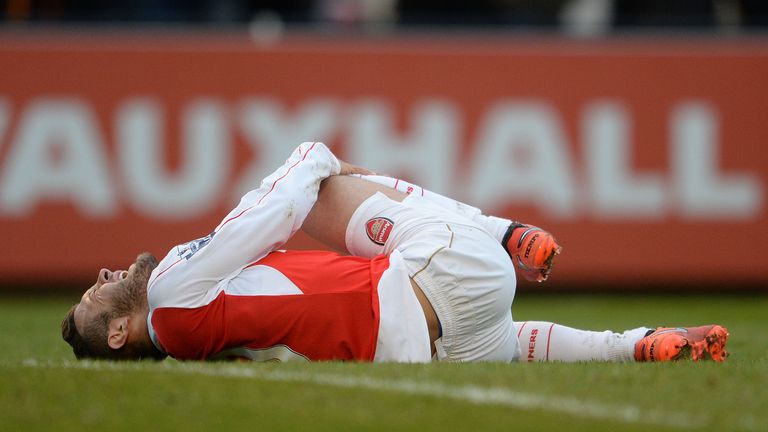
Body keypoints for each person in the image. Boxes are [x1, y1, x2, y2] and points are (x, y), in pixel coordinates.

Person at [61, 142, 729, 363]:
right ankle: (503, 230)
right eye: (95, 299)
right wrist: (313, 154)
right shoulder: (174, 288)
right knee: (321, 190)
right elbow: (266, 218)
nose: (101, 276)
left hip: (424, 342)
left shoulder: (187, 340)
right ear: (121, 333)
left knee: (516, 342)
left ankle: (641, 343)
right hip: (446, 269)